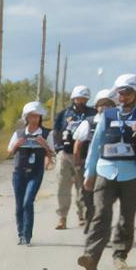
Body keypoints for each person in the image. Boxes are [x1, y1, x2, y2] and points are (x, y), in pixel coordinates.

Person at [78, 73, 136, 270]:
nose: (122, 97)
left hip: (133, 173)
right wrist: (89, 173)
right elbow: (96, 145)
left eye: (127, 93)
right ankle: (91, 256)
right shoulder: (108, 115)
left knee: (127, 216)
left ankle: (120, 256)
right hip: (105, 171)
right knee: (101, 214)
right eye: (120, 93)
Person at [6, 101, 55, 246]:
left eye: (37, 116)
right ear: (26, 117)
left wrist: (44, 145)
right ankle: (21, 234)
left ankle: (27, 235)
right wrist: (17, 145)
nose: (35, 119)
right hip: (19, 172)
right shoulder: (19, 133)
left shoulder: (47, 133)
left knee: (28, 202)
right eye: (32, 116)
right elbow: (9, 152)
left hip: (36, 173)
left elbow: (52, 152)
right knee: (19, 204)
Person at [72, 89, 116, 233]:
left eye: (108, 104)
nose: (104, 108)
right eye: (101, 104)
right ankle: (89, 220)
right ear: (96, 107)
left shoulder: (118, 122)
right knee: (88, 196)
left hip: (109, 166)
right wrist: (77, 162)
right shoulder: (89, 122)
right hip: (89, 165)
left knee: (104, 198)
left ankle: (100, 227)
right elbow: (78, 143)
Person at [52, 86, 95, 229]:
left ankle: (82, 215)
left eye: (84, 98)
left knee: (82, 187)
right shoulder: (63, 114)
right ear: (73, 98)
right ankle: (62, 217)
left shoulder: (92, 114)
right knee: (63, 186)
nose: (81, 101)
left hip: (84, 155)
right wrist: (58, 149)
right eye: (78, 98)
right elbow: (56, 132)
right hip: (65, 154)